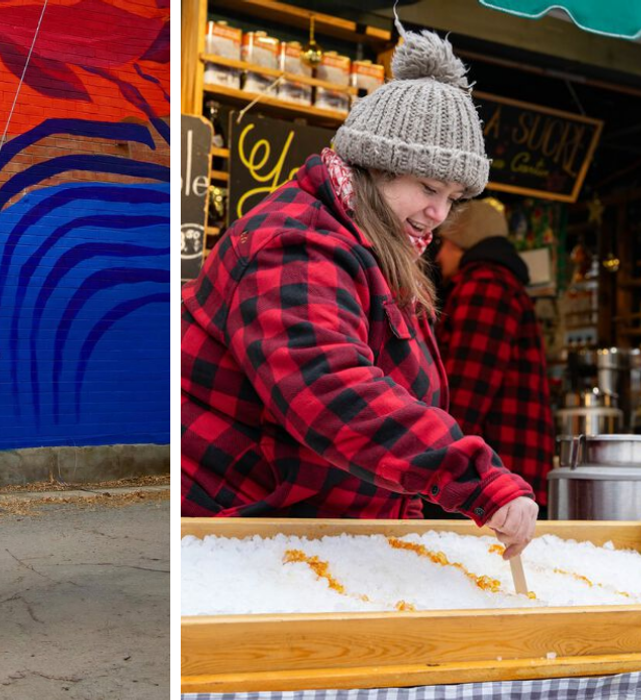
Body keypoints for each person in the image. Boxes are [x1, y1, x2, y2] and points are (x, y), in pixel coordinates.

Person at [180, 29, 538, 558]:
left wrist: (408, 523)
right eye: (429, 188)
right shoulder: (297, 244)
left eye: (453, 198)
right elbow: (330, 388)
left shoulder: (381, 249)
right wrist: (475, 479)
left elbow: (405, 397)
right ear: (375, 166)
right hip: (241, 535)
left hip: (313, 537)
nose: (439, 214)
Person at [434, 199, 555, 514]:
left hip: (494, 476)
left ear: (464, 243)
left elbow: (467, 389)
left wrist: (439, 464)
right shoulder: (500, 284)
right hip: (507, 471)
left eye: (445, 243)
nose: (439, 254)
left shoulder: (485, 286)